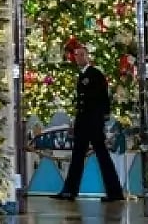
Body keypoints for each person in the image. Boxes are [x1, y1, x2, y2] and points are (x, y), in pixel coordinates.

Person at [53, 39, 125, 203]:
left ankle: (114, 192)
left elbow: (102, 98)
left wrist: (102, 118)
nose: (78, 58)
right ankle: (69, 191)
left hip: (93, 123)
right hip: (83, 123)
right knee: (77, 157)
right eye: (76, 55)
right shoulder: (82, 76)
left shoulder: (95, 74)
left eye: (81, 55)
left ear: (87, 56)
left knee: (102, 156)